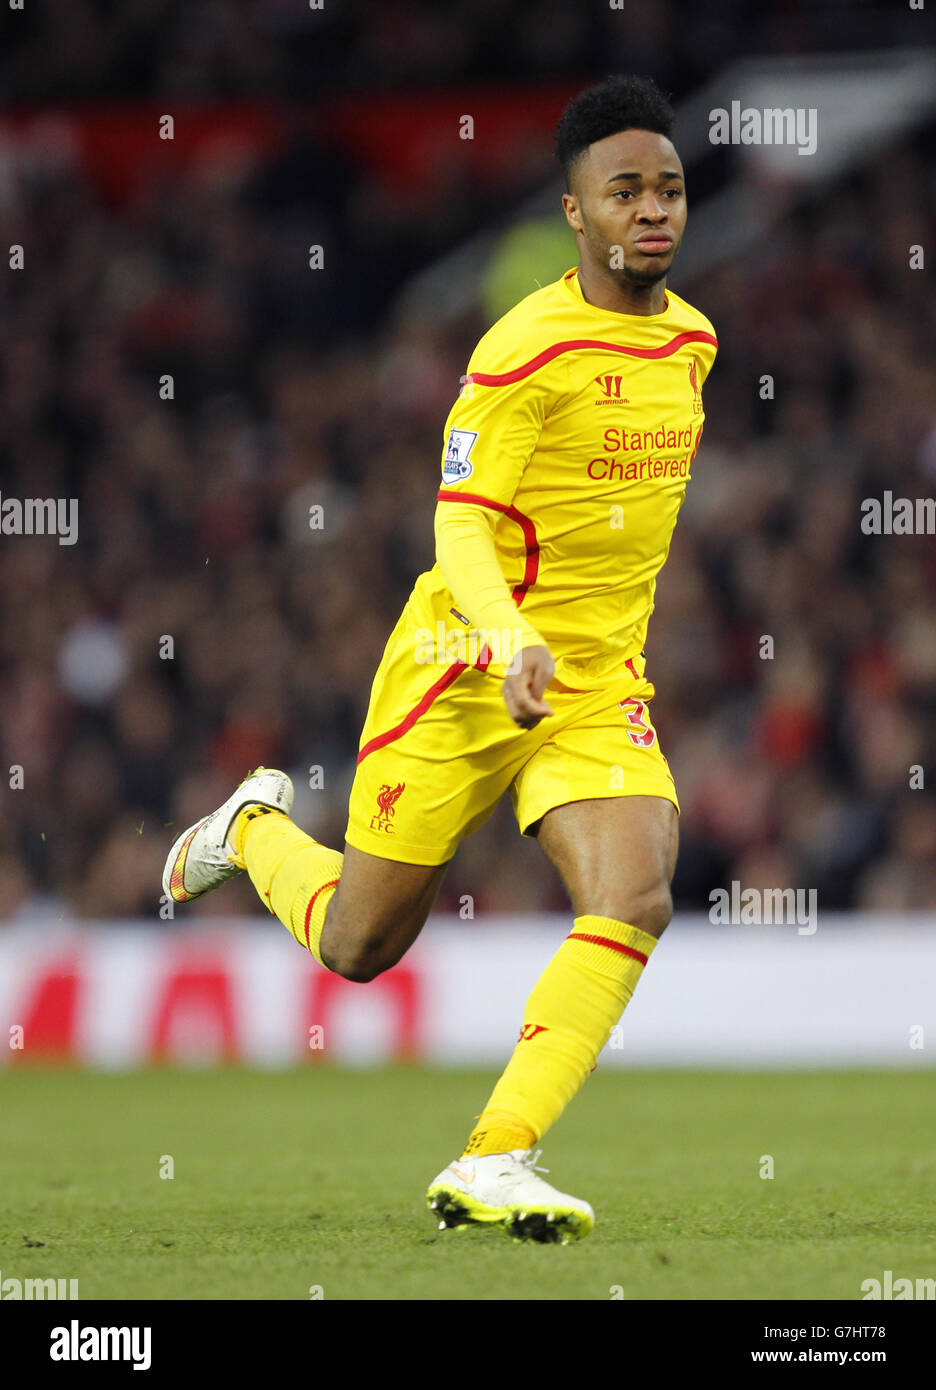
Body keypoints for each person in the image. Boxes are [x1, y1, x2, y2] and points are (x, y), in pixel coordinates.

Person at [162, 74, 717, 1244]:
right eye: (625, 192)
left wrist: (570, 651)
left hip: (592, 684)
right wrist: (507, 636)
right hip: (461, 667)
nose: (654, 210)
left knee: (638, 891)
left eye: (668, 188)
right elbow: (460, 520)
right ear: (576, 213)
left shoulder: (697, 346)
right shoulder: (521, 349)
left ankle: (498, 1153)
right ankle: (252, 832)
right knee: (360, 945)